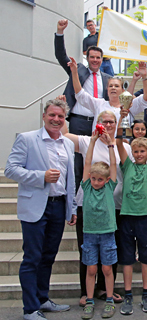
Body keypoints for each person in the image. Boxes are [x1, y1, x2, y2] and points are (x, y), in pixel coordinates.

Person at [5, 99, 76, 320]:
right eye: (52, 115)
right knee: (32, 258)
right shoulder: (27, 139)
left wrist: (71, 206)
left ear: (64, 120)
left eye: (60, 117)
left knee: (48, 256)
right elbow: (11, 170)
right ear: (44, 116)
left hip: (58, 205)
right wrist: (40, 177)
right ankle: (29, 308)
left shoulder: (68, 144)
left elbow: (70, 179)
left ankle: (42, 299)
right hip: (36, 207)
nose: (56, 120)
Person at [62, 110, 132, 307]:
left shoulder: (122, 145)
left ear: (116, 124)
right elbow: (64, 135)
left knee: (110, 251)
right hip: (88, 206)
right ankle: (86, 291)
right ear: (97, 123)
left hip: (113, 207)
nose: (108, 125)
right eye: (105, 122)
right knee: (87, 250)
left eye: (112, 122)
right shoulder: (86, 141)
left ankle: (105, 289)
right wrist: (65, 109)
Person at [55, 19, 112, 191]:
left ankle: (96, 195)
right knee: (77, 164)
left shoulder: (107, 79)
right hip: (78, 123)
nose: (95, 60)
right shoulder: (77, 69)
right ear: (87, 58)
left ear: (102, 60)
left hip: (97, 124)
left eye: (98, 58)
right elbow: (60, 55)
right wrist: (59, 32)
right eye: (92, 57)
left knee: (98, 161)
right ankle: (75, 201)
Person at [115, 106, 147, 315]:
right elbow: (118, 143)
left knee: (146, 257)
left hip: (144, 218)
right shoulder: (128, 166)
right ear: (132, 153)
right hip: (126, 218)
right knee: (126, 258)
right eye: (136, 151)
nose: (139, 154)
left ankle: (145, 292)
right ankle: (128, 294)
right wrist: (122, 119)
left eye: (143, 151)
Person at [80, 129, 118, 319]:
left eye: (99, 179)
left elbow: (112, 165)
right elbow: (87, 163)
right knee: (91, 269)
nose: (95, 182)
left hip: (107, 233)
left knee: (107, 268)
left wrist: (111, 145)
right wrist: (93, 142)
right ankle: (89, 300)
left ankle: (109, 300)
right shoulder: (86, 186)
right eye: (94, 178)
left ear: (107, 180)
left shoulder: (110, 186)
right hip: (89, 233)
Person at [68, 58, 147, 134]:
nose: (113, 88)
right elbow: (80, 94)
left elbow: (146, 97)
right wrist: (75, 72)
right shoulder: (99, 104)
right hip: (99, 146)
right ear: (107, 90)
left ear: (122, 90)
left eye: (116, 86)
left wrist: (144, 77)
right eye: (111, 86)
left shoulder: (128, 106)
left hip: (119, 147)